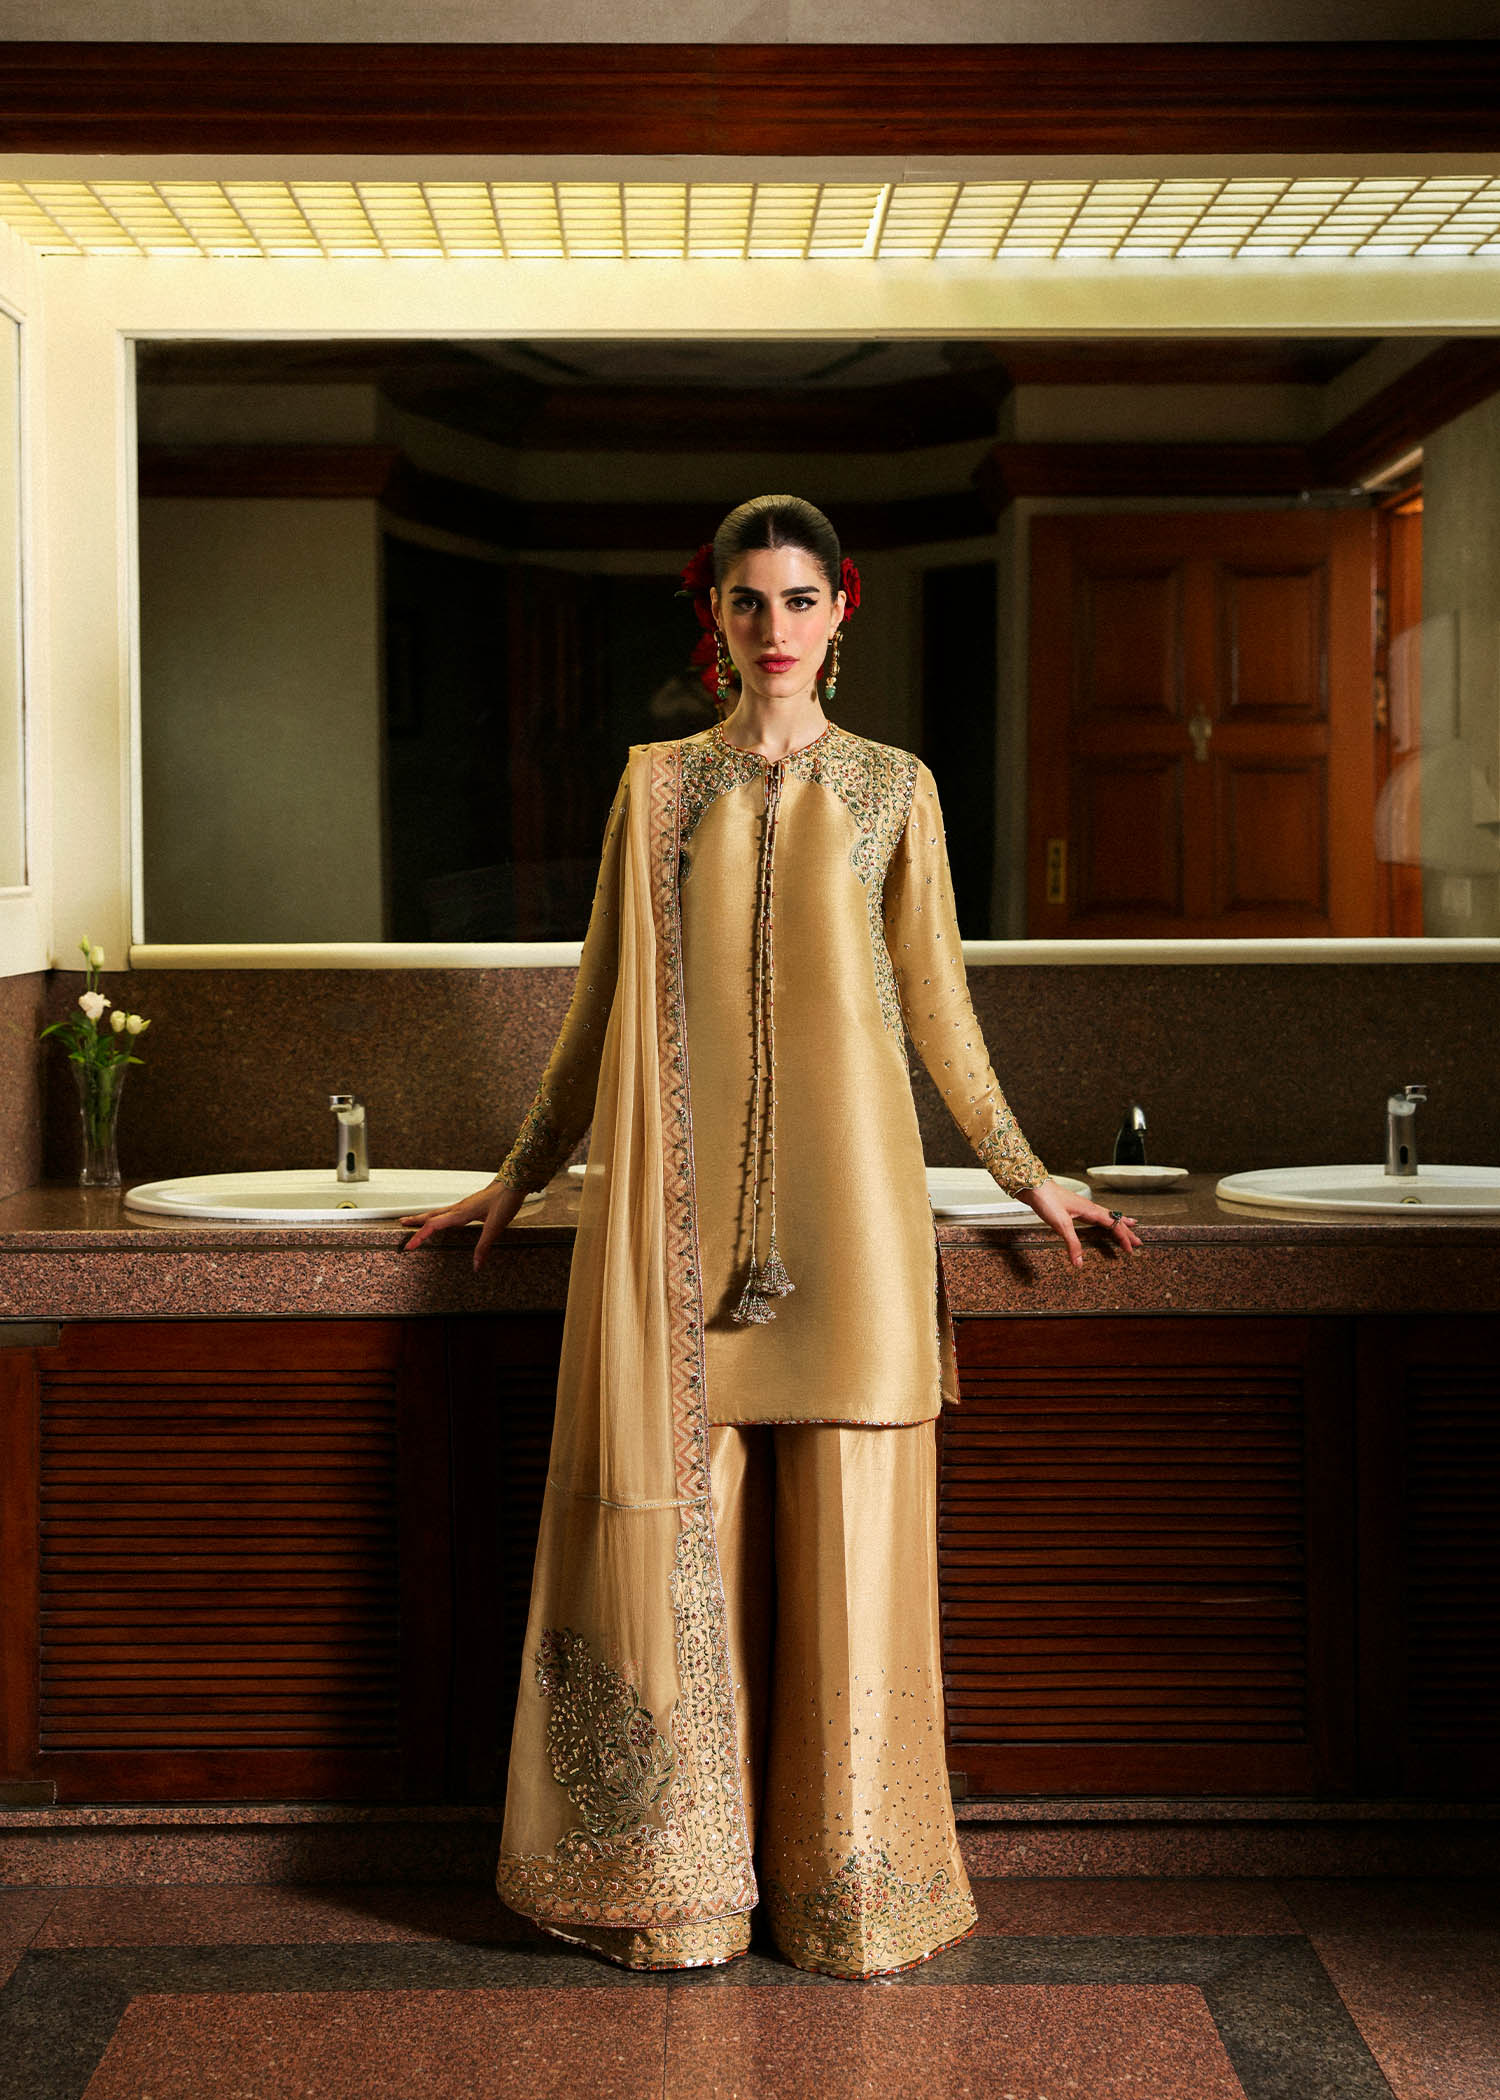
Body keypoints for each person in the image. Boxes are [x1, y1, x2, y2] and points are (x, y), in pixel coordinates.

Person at [401, 494, 1142, 1978]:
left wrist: (1026, 1174)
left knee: (856, 1543)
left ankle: (852, 1894)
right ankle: (681, 1890)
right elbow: (601, 996)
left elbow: (936, 1004)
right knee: (683, 1531)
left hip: (855, 1210)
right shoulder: (658, 785)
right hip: (678, 1228)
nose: (775, 628)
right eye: (749, 602)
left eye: (801, 600)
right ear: (716, 617)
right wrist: (519, 1173)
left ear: (842, 609)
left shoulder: (895, 788)